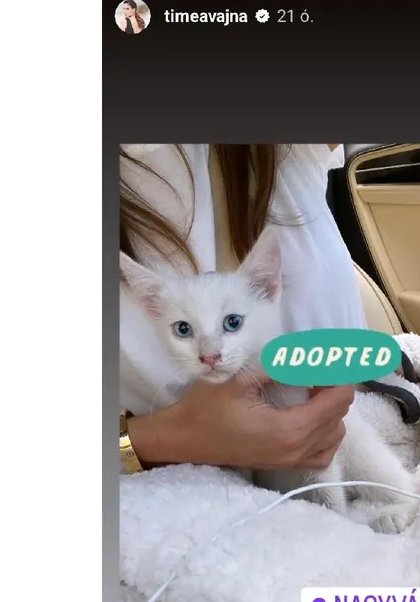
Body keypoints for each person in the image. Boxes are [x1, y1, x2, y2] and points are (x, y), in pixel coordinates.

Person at [119, 144, 368, 473]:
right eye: (183, 330)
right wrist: (167, 438)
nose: (210, 354)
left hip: (358, 408)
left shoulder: (283, 156)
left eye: (232, 323)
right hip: (169, 481)